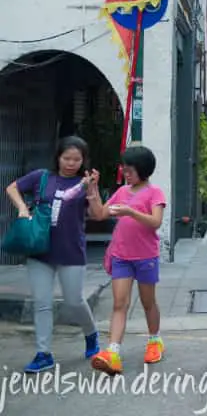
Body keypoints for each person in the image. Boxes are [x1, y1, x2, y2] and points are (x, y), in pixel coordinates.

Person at [5, 136, 104, 373]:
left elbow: (99, 214)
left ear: (83, 160)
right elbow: (12, 187)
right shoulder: (42, 177)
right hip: (40, 250)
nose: (71, 163)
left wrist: (92, 189)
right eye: (66, 158)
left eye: (76, 159)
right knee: (41, 302)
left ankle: (91, 335)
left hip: (71, 251)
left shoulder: (84, 183)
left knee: (74, 301)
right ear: (57, 157)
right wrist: (21, 207)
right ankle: (43, 353)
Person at [90, 144, 167, 375]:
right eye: (125, 168)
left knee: (147, 302)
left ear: (143, 170)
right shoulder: (122, 192)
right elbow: (100, 214)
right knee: (119, 304)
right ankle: (113, 352)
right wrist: (93, 190)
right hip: (121, 256)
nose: (125, 173)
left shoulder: (155, 193)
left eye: (130, 169)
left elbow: (156, 222)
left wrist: (131, 212)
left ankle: (155, 341)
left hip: (146, 257)